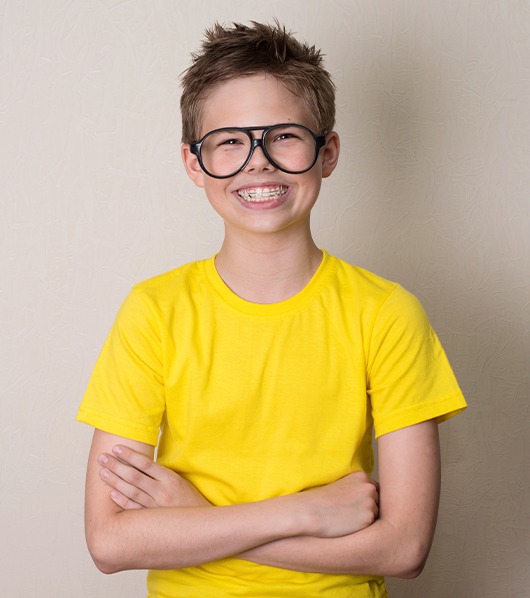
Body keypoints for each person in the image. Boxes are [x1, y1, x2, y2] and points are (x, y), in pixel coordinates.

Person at [77, 20, 467, 598]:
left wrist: (195, 514)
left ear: (327, 152)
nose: (257, 162)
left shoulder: (386, 313)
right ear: (193, 163)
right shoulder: (153, 310)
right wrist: (303, 513)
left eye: (283, 135)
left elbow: (405, 548)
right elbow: (110, 543)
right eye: (230, 140)